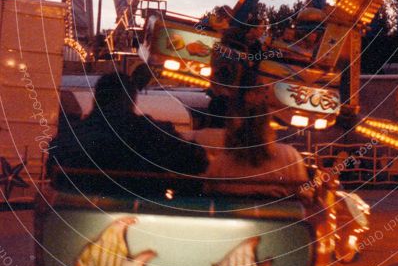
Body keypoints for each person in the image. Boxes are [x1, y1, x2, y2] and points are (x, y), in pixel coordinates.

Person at [48, 71, 207, 187]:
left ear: (96, 99)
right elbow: (195, 160)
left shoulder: (70, 137)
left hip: (77, 214)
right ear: (132, 100)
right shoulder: (150, 134)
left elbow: (52, 170)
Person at [205, 97, 308, 198]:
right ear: (267, 124)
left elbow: (208, 194)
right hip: (279, 213)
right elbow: (304, 196)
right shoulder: (290, 157)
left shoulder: (220, 164)